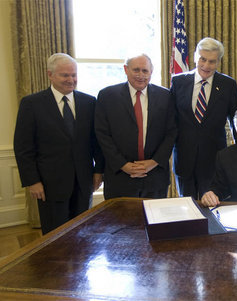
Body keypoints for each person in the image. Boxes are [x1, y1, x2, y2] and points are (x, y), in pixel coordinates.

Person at [13, 53, 104, 234]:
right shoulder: (32, 104)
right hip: (50, 184)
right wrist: (33, 181)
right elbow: (23, 147)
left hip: (83, 181)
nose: (71, 80)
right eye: (65, 75)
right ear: (50, 75)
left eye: (74, 75)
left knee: (82, 232)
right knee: (54, 235)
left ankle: (80, 263)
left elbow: (96, 141)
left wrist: (98, 171)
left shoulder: (89, 102)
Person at [95, 54, 176, 199]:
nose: (140, 75)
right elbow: (102, 134)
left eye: (145, 71)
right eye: (136, 70)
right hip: (119, 177)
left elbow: (171, 133)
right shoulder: (107, 96)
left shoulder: (166, 96)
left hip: (154, 176)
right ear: (126, 70)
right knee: (121, 221)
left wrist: (153, 162)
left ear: (151, 72)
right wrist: (123, 165)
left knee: (155, 221)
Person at [171, 37, 237, 200]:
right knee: (186, 208)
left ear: (218, 62)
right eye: (202, 59)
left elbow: (236, 121)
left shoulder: (228, 84)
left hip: (214, 160)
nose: (206, 66)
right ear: (196, 56)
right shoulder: (178, 82)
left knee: (212, 207)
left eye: (212, 61)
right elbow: (170, 121)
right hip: (184, 158)